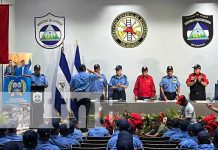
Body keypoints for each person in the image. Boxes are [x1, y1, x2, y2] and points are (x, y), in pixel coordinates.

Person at [70, 64, 100, 129]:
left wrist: (72, 95)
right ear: (85, 69)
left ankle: (78, 128)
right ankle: (83, 129)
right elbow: (98, 75)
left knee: (78, 112)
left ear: (79, 69)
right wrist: (92, 71)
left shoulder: (74, 76)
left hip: (76, 95)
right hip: (85, 95)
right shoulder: (89, 75)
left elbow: (71, 86)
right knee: (85, 113)